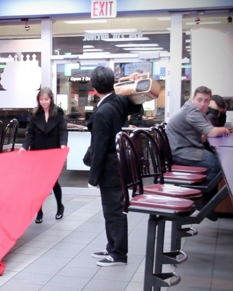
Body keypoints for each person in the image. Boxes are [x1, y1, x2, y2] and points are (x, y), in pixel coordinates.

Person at [85, 66, 142, 267]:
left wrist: (93, 178)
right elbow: (137, 106)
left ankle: (118, 253)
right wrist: (130, 82)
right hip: (119, 163)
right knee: (112, 209)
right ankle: (112, 247)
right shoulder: (117, 101)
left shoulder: (103, 111)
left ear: (94, 87)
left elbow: (99, 148)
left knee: (113, 211)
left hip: (109, 167)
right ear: (112, 83)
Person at [165, 86, 230, 207]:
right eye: (200, 99)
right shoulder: (192, 111)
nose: (203, 104)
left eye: (206, 101)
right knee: (216, 165)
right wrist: (225, 130)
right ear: (193, 98)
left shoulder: (196, 110)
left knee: (214, 161)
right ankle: (197, 199)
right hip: (178, 151)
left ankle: (205, 200)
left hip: (182, 148)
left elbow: (206, 131)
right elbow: (211, 132)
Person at [19, 87, 67, 224]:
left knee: (53, 182)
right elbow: (31, 133)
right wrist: (24, 147)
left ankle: (60, 206)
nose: (44, 102)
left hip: (53, 152)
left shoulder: (58, 112)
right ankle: (39, 211)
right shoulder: (35, 114)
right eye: (41, 100)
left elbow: (63, 130)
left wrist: (63, 144)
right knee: (37, 184)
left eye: (46, 99)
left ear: (51, 99)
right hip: (38, 152)